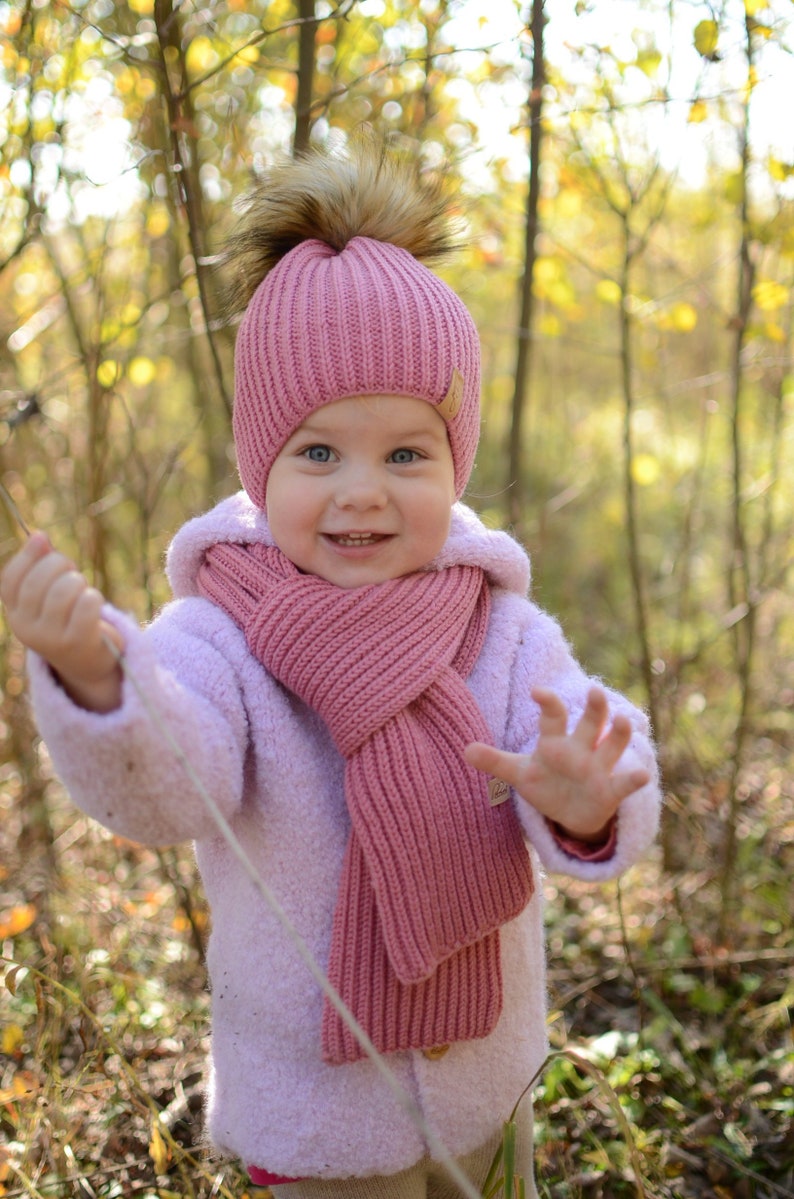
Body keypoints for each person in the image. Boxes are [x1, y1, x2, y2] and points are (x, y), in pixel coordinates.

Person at [0, 139, 661, 1198]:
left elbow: (578, 724)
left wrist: (586, 797)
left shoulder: (493, 623)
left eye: (406, 453)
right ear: (260, 465)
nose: (362, 490)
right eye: (318, 452)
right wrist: (96, 677)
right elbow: (174, 779)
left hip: (484, 1075)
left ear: (456, 464)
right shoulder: (219, 634)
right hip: (315, 1102)